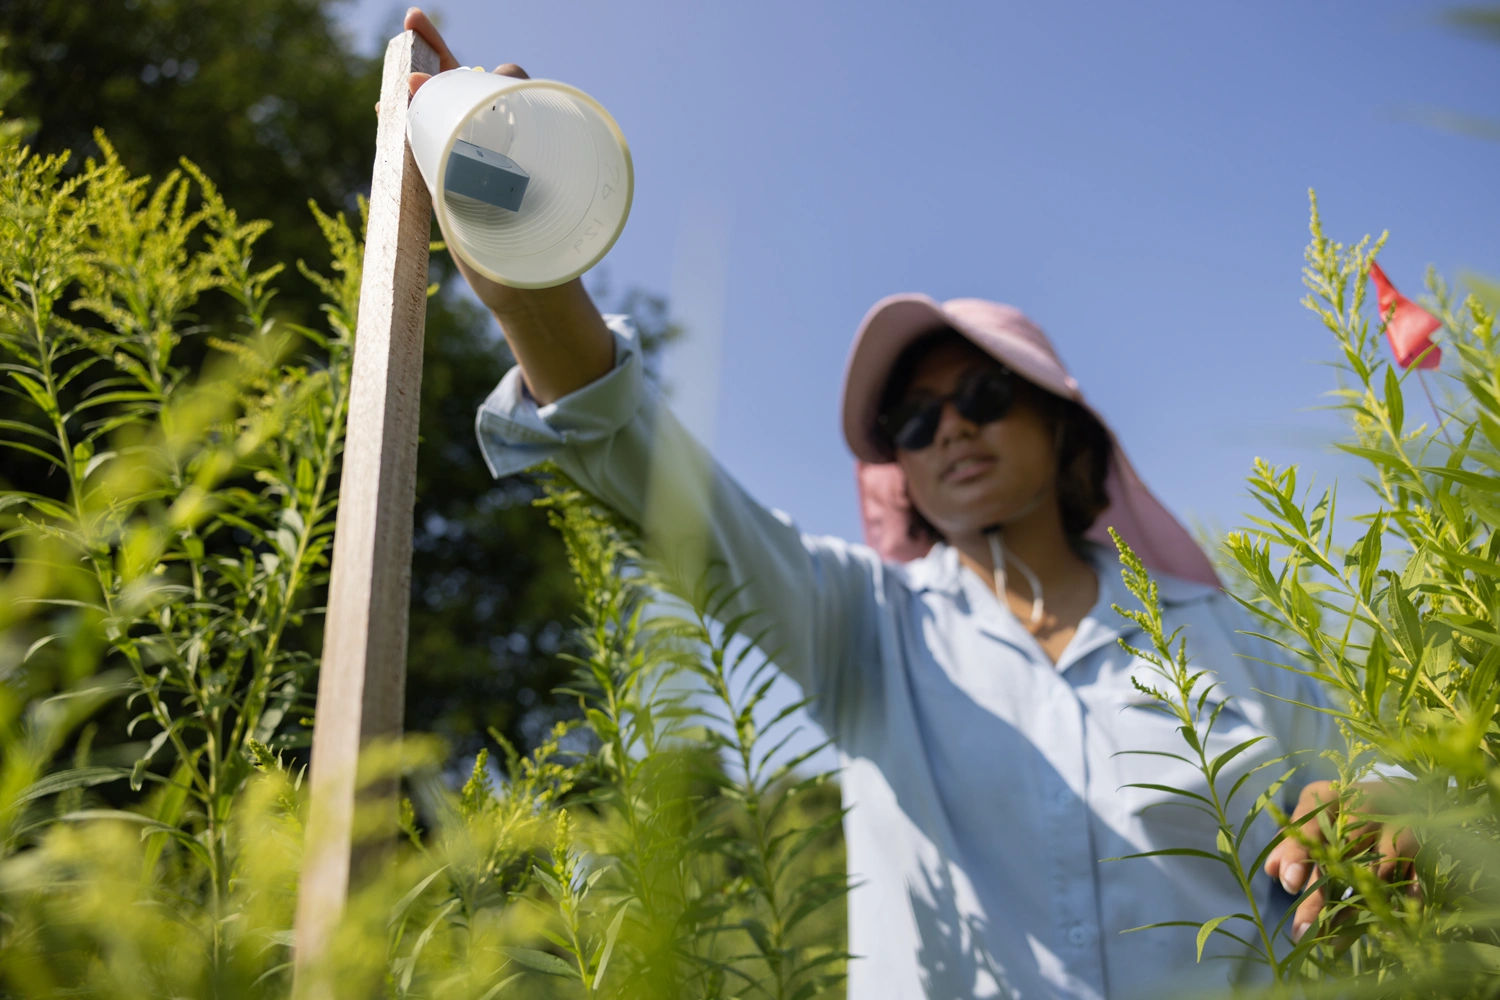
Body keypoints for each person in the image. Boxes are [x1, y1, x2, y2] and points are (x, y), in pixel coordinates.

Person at [401, 12, 1411, 997]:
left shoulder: (1235, 639)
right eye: (912, 422)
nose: (951, 430)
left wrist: (1384, 813)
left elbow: (1371, 796)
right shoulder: (865, 630)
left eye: (982, 395)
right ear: (899, 468)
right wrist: (519, 242)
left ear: (1062, 423)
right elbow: (652, 471)